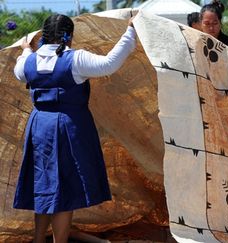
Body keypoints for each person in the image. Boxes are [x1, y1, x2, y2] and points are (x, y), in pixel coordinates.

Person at [13, 14, 136, 243]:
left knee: (45, 186)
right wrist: (130, 32)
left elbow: (20, 69)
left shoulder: (27, 62)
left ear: (44, 34)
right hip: (67, 128)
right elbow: (109, 63)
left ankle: (39, 240)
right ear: (69, 36)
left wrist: (25, 50)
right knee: (63, 192)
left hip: (39, 128)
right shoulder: (75, 59)